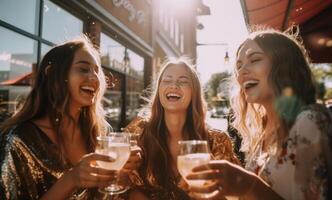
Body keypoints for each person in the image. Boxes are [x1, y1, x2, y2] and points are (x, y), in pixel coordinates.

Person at [186, 28, 332, 199]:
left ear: (284, 65)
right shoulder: (261, 133)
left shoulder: (310, 121)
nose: (241, 72)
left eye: (255, 59)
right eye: (239, 65)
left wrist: (249, 185)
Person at [0, 35, 141, 199]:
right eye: (83, 69)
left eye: (97, 70)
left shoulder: (101, 133)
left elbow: (109, 193)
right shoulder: (18, 141)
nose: (94, 78)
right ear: (53, 74)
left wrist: (123, 172)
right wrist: (71, 179)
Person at [123, 57, 240, 199]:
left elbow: (234, 195)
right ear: (159, 89)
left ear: (194, 92)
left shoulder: (217, 140)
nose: (174, 85)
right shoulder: (137, 131)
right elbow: (123, 187)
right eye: (167, 80)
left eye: (183, 81)